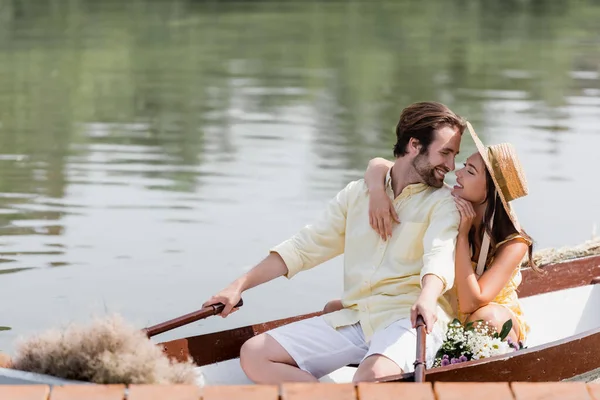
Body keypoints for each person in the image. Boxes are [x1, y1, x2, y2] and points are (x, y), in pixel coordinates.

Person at [203, 101, 467, 384]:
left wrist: (427, 296)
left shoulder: (444, 203)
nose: (451, 166)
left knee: (372, 376)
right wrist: (238, 286)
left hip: (410, 319)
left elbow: (439, 255)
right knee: (255, 354)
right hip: (355, 317)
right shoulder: (358, 193)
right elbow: (305, 247)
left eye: (454, 155)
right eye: (445, 153)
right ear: (414, 145)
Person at [345, 122, 536, 344]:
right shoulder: (448, 204)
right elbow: (379, 165)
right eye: (465, 165)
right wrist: (378, 191)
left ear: (489, 191)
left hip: (489, 320)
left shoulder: (514, 243)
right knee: (338, 308)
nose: (458, 172)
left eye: (470, 171)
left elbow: (471, 303)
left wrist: (463, 237)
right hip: (446, 314)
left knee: (487, 318)